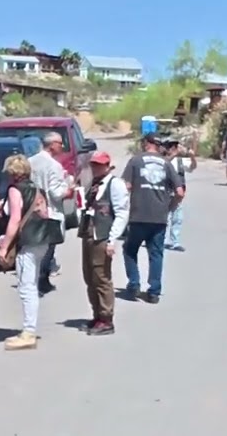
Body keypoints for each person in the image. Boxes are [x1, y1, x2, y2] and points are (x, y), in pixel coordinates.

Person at [0, 154, 59, 350]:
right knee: (31, 284)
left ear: (13, 173)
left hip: (28, 242)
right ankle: (29, 330)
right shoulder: (37, 189)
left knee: (26, 287)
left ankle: (28, 332)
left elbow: (15, 219)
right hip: (42, 240)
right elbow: (43, 214)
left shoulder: (16, 190)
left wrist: (5, 247)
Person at [121, 134, 183, 304]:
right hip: (159, 217)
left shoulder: (135, 161)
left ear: (146, 143)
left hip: (138, 215)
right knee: (156, 254)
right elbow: (179, 192)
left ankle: (134, 284)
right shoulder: (166, 164)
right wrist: (169, 207)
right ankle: (154, 292)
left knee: (129, 250)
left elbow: (126, 186)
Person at [79, 151, 129, 336]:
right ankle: (97, 314)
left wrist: (112, 240)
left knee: (101, 277)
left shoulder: (115, 184)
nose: (96, 168)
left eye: (99, 165)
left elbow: (122, 213)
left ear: (108, 166)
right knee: (89, 277)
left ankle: (106, 318)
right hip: (89, 233)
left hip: (102, 236)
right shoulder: (93, 184)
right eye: (94, 165)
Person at [28, 131, 72, 295]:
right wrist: (68, 191)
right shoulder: (53, 165)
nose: (62, 146)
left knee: (35, 248)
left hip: (32, 211)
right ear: (52, 145)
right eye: (60, 143)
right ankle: (41, 280)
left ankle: (37, 279)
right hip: (50, 211)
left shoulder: (30, 162)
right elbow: (56, 192)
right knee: (48, 249)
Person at [163, 139, 191, 252]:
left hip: (177, 194)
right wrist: (174, 155)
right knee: (164, 217)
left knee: (177, 218)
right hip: (165, 193)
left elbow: (192, 167)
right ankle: (161, 240)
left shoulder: (180, 161)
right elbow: (163, 164)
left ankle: (175, 242)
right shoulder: (163, 159)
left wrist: (192, 157)